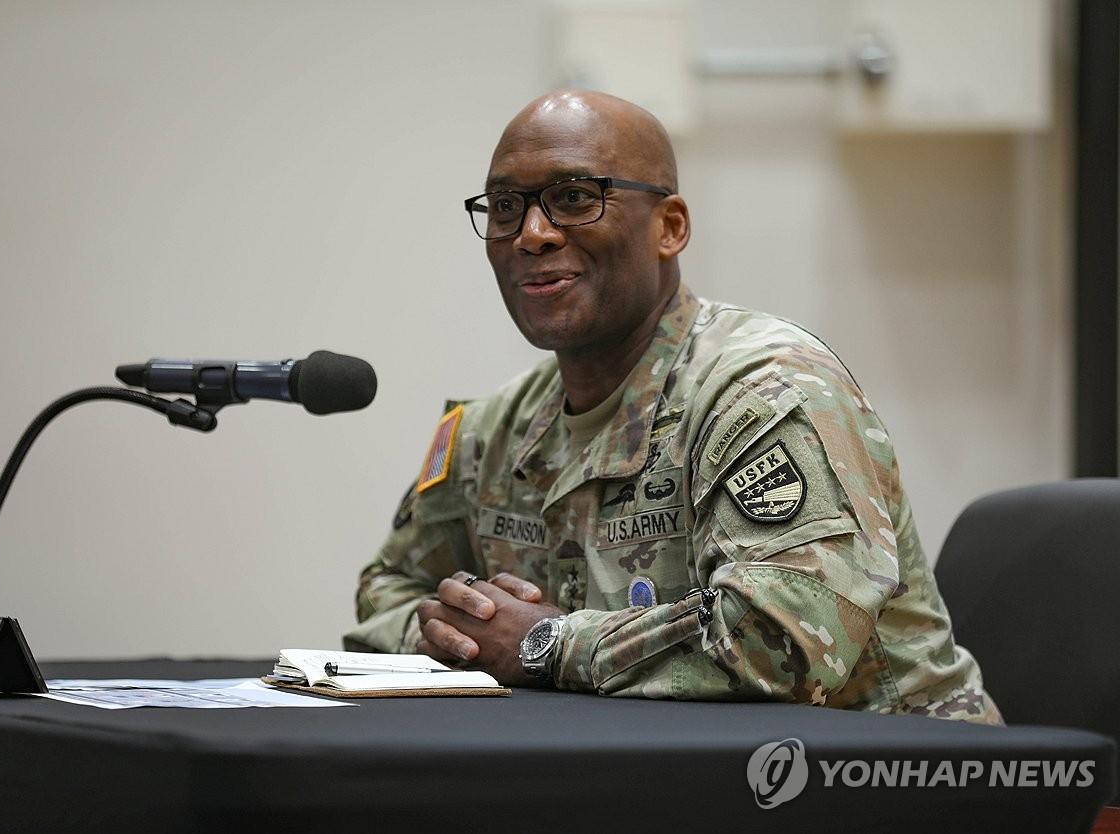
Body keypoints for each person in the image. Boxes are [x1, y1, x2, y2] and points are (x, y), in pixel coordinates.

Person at [344, 90, 1001, 724]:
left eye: (574, 198)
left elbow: (784, 640)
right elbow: (387, 588)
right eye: (507, 207)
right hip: (648, 770)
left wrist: (546, 645)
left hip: (886, 769)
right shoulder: (491, 431)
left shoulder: (765, 392)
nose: (532, 234)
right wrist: (458, 632)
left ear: (670, 227)